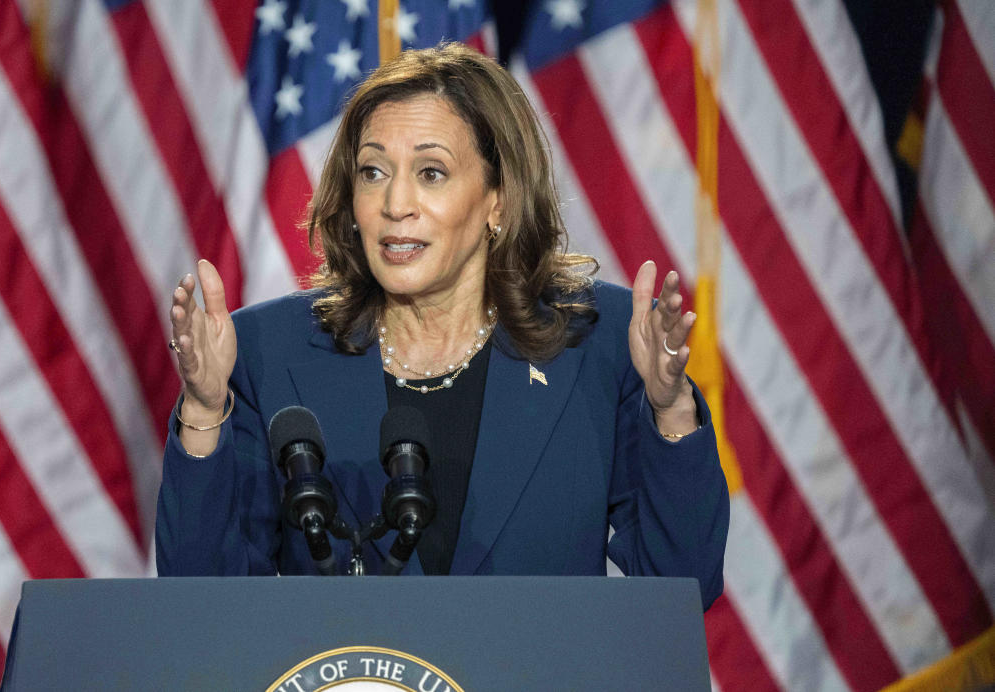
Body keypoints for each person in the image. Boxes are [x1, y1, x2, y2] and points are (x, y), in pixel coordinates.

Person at [156, 43, 728, 607]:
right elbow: (203, 605)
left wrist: (671, 408)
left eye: (431, 173)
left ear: (497, 201)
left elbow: (683, 586)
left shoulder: (598, 345)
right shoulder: (267, 353)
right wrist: (205, 414)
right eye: (373, 171)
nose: (395, 202)